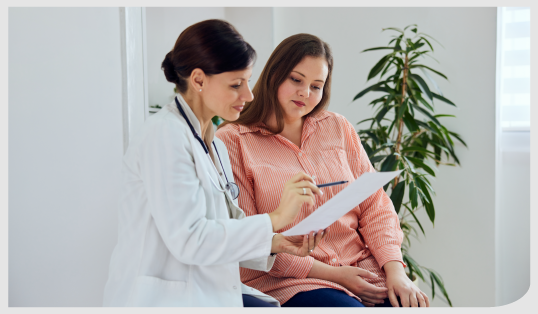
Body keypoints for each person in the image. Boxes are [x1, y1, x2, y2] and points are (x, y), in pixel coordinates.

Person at [102, 20, 325, 307]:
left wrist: (274, 242)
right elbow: (191, 240)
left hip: (209, 294)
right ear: (198, 80)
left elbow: (226, 228)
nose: (249, 95)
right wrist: (277, 218)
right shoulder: (164, 136)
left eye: (247, 81)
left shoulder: (215, 144)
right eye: (236, 84)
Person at [216, 33, 430, 307]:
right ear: (273, 74)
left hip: (359, 266)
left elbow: (375, 206)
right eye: (296, 79)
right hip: (291, 280)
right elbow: (249, 235)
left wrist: (396, 271)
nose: (305, 93)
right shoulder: (233, 140)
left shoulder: (338, 127)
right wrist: (336, 276)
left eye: (316, 86)